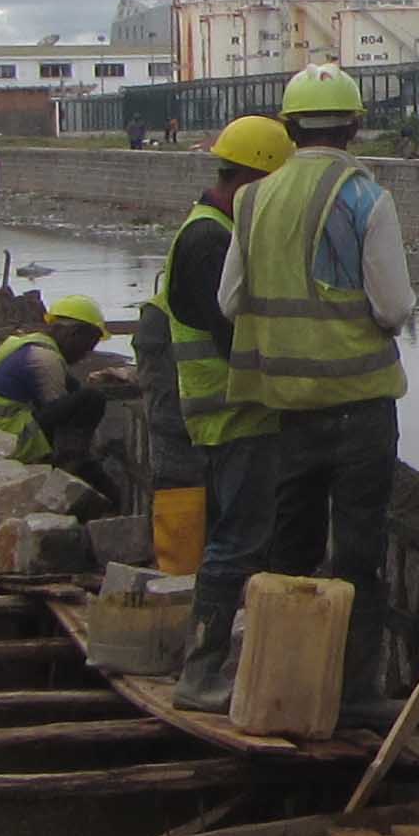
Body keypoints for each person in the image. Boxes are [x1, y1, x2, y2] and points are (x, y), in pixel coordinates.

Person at [220, 65, 416, 722]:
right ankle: (354, 695)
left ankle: (278, 681)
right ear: (357, 125)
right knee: (358, 554)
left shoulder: (252, 200)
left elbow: (228, 300)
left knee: (288, 550)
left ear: (288, 125)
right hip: (360, 402)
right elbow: (391, 307)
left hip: (288, 402)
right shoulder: (365, 198)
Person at [167, 115, 295, 708]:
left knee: (237, 540)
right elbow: (233, 337)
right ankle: (201, 673)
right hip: (234, 415)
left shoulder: (212, 229)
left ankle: (223, 664)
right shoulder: (210, 241)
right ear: (250, 179)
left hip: (228, 416)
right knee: (237, 543)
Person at [0, 293, 123, 484]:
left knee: (77, 392)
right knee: (92, 398)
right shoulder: (45, 360)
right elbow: (61, 415)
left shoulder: (27, 343)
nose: (87, 354)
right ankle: (74, 465)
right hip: (10, 441)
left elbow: (71, 389)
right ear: (73, 333)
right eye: (88, 345)